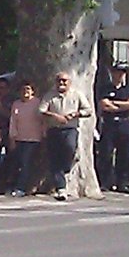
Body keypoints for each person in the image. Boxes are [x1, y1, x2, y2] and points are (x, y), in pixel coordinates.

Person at [42, 71, 93, 200]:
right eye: (59, 80)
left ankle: (66, 168)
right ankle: (61, 189)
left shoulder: (77, 95)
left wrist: (75, 114)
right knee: (54, 160)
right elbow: (41, 110)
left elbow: (88, 110)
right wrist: (55, 116)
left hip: (70, 129)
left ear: (69, 82)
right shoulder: (50, 95)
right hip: (54, 130)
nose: (62, 83)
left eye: (64, 80)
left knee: (70, 148)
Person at [98, 63, 129, 191]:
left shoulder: (128, 89)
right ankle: (105, 182)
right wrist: (123, 105)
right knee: (106, 153)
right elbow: (104, 105)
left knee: (125, 153)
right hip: (110, 124)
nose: (120, 75)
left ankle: (122, 182)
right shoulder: (105, 88)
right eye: (117, 72)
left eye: (122, 73)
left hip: (124, 123)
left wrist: (115, 103)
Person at [7, 79, 45, 196]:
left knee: (25, 163)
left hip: (34, 139)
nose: (25, 91)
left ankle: (21, 188)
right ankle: (14, 186)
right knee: (17, 163)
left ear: (33, 91)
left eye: (28, 89)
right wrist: (12, 138)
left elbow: (43, 121)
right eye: (23, 89)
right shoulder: (16, 104)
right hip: (19, 138)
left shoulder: (38, 103)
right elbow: (13, 122)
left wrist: (44, 135)